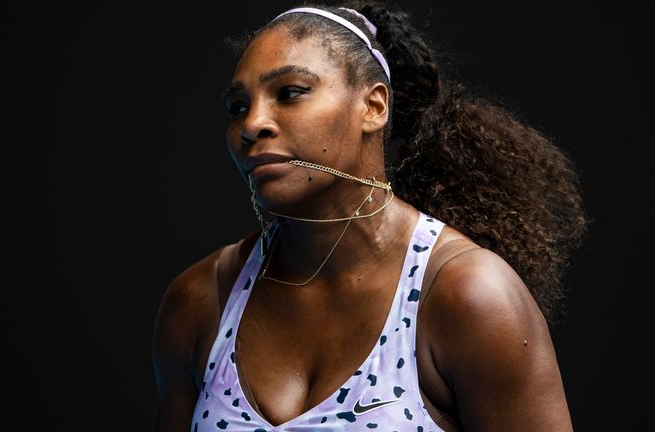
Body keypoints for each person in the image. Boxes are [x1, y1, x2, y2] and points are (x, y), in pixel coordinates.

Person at [152, 2, 588, 431]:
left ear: (374, 107)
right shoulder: (202, 301)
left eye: (289, 93)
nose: (252, 124)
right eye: (237, 107)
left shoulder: (467, 297)